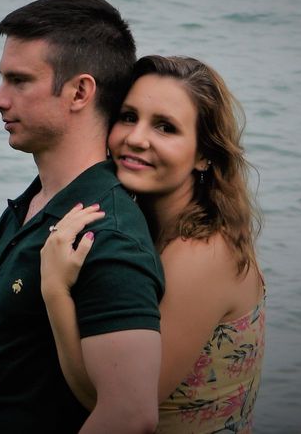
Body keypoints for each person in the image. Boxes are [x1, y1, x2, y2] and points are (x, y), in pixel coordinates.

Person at [0, 0, 165, 433]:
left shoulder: (104, 232)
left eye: (19, 81)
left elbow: (131, 414)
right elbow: (26, 334)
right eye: (2, 79)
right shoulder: (31, 205)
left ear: (80, 92)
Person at [40, 55, 265, 433]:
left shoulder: (203, 254)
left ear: (204, 155)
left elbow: (114, 403)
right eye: (128, 117)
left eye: (165, 127)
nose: (136, 138)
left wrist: (55, 289)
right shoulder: (138, 228)